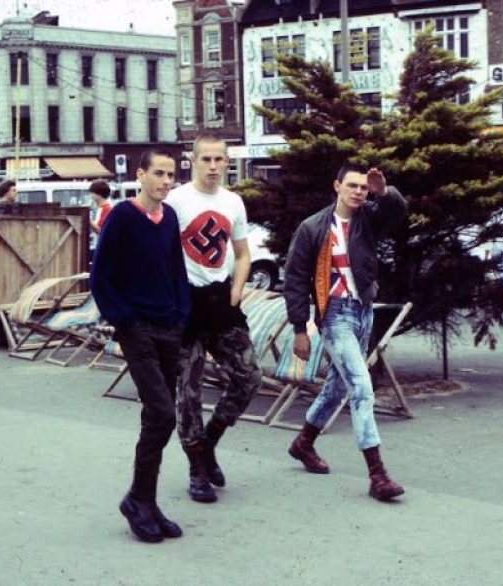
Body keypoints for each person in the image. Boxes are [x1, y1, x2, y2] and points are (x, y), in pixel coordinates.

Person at [283, 162, 408, 501]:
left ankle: (303, 443)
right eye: (351, 186)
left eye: (363, 188)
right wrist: (300, 330)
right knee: (360, 387)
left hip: (363, 311)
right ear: (336, 186)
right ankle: (377, 474)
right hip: (335, 315)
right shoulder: (312, 228)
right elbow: (294, 280)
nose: (358, 192)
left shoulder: (367, 217)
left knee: (338, 387)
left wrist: (384, 191)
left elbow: (397, 211)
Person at [90, 148, 190, 543]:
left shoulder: (169, 219)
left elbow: (177, 271)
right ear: (141, 174)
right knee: (164, 414)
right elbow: (101, 278)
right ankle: (137, 498)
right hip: (139, 330)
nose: (167, 181)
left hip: (169, 326)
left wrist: (181, 314)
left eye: (171, 175)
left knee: (157, 418)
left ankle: (144, 502)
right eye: (160, 174)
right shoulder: (122, 217)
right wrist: (126, 321)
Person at [165, 133, 262, 504]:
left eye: (219, 159)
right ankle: (196, 469)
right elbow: (164, 251)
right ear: (193, 161)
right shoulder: (176, 200)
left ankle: (210, 440)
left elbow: (241, 254)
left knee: (249, 375)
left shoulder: (233, 202)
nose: (212, 166)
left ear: (226, 161)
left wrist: (237, 288)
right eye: (205, 159)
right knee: (187, 390)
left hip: (221, 301)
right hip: (185, 304)